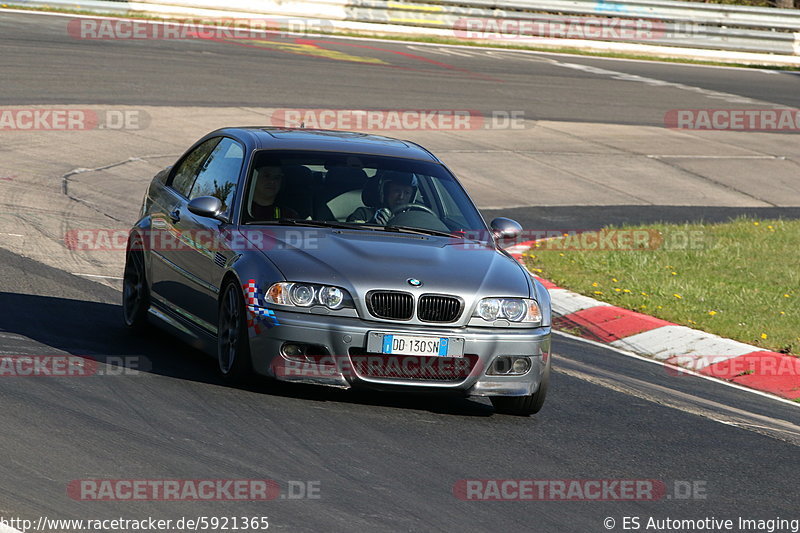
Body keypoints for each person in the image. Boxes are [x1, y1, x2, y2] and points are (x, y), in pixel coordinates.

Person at [347, 171, 417, 225]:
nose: (401, 197)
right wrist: (371, 224)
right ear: (385, 192)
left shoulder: (414, 219)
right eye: (396, 191)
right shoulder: (363, 214)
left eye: (407, 193)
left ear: (412, 197)